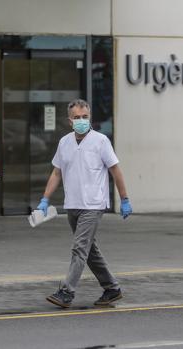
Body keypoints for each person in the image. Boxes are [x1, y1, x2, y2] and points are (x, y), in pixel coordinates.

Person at [37, 99, 133, 308]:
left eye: (85, 117)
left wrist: (124, 199)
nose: (82, 121)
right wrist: (45, 199)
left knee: (79, 248)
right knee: (89, 251)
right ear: (69, 121)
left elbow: (115, 170)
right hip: (72, 204)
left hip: (93, 204)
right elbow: (56, 172)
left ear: (90, 118)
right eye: (77, 118)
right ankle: (112, 289)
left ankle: (66, 292)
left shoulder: (100, 141)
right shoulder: (64, 143)